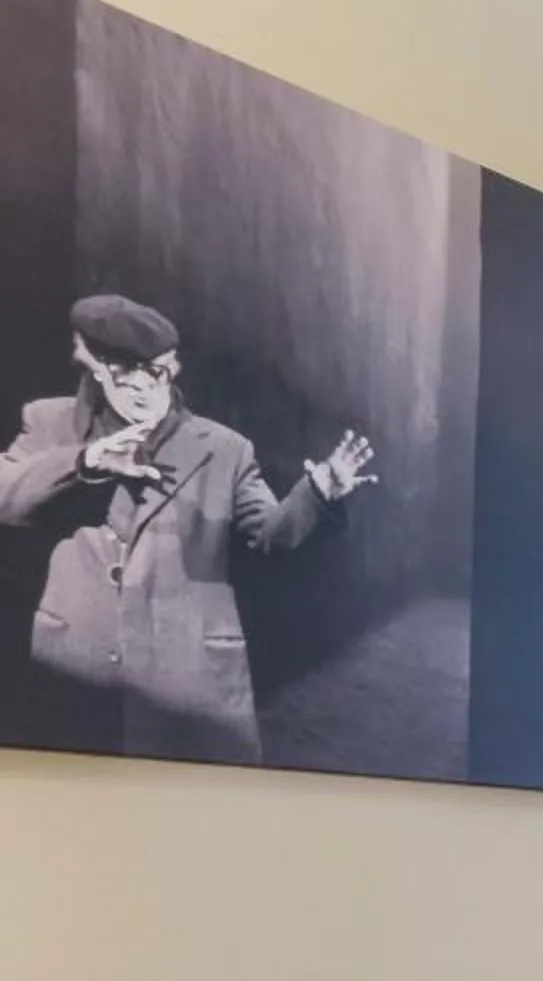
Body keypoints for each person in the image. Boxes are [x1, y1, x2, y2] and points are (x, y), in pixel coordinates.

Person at [0, 293, 378, 764]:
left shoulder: (224, 449)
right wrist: (85, 462)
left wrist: (318, 491)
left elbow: (270, 535)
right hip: (78, 679)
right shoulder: (51, 423)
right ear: (95, 366)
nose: (141, 387)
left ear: (173, 367)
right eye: (123, 371)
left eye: (154, 371)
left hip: (189, 689)